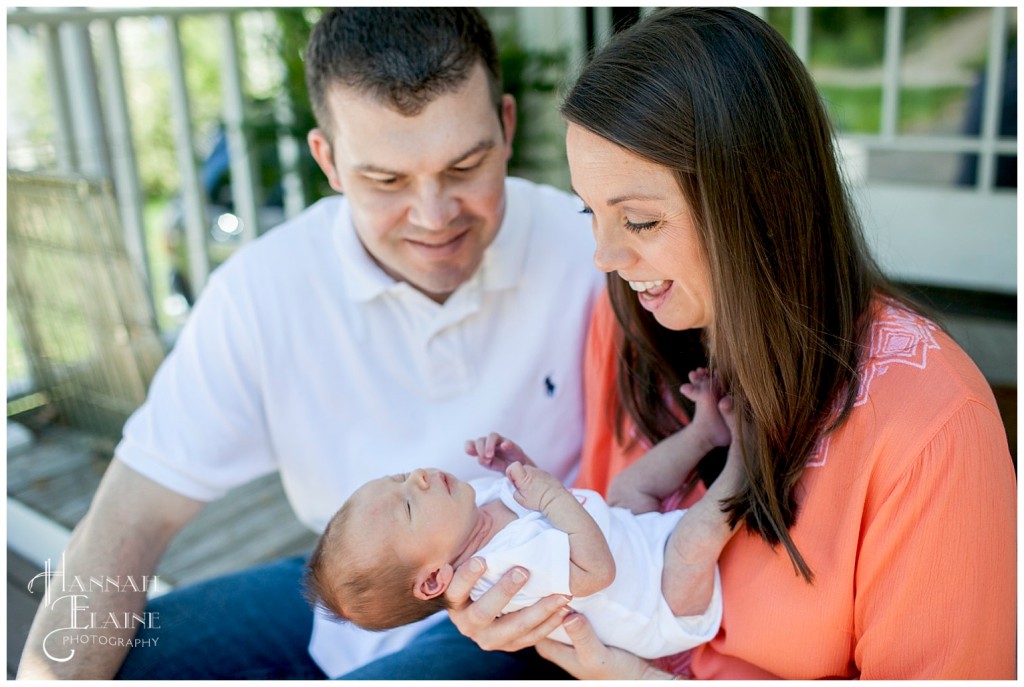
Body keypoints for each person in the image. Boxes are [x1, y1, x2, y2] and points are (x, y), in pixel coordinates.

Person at [17, 8, 602, 680]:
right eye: (386, 180)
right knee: (128, 659)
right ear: (327, 159)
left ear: (505, 126)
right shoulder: (263, 290)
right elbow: (132, 511)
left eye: (465, 166)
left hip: (530, 592)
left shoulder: (589, 246)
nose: (435, 216)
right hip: (364, 588)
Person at [442, 7, 1017, 680]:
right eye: (590, 212)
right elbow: (612, 546)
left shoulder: (934, 427)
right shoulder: (626, 323)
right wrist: (511, 586)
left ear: (761, 199)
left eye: (641, 220)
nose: (604, 255)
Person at [305, 368, 740, 660]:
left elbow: (547, 516)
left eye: (400, 476)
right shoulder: (501, 573)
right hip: (661, 602)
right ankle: (749, 462)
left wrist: (517, 467)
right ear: (435, 578)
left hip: (633, 537)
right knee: (693, 542)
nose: (418, 477)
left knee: (627, 488)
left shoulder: (470, 510)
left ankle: (705, 432)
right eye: (407, 505)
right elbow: (596, 569)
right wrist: (547, 493)